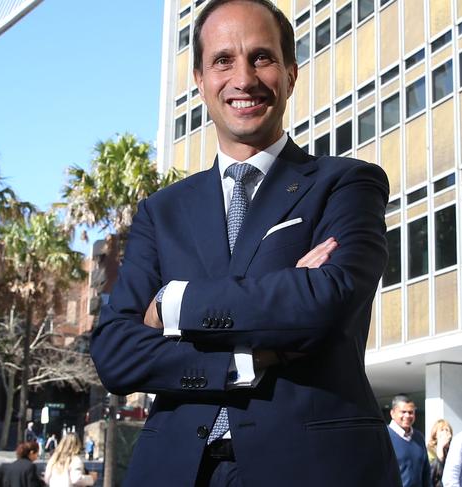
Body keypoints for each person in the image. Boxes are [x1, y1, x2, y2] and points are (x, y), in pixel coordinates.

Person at [89, 0, 402, 485]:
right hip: (173, 470)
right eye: (223, 61)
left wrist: (174, 303)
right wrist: (246, 358)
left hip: (312, 466)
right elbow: (115, 352)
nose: (244, 78)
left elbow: (326, 301)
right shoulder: (162, 211)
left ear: (291, 74)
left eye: (261, 57)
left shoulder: (347, 184)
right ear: (199, 80)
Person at [387, 395, 431, 487]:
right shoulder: (384, 437)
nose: (407, 416)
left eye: (411, 412)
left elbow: (426, 472)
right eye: (403, 412)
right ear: (392, 413)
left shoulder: (419, 438)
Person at [428, 419, 453, 487]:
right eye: (442, 430)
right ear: (435, 434)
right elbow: (431, 474)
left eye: (447, 430)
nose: (445, 433)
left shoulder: (451, 451)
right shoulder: (429, 451)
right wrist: (440, 447)